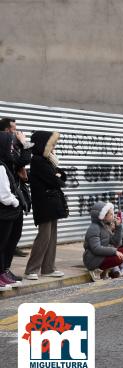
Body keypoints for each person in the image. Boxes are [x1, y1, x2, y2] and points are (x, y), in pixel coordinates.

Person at [24, 131, 69, 280]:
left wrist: (57, 176)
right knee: (44, 237)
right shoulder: (38, 160)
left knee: (52, 237)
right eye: (52, 143)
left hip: (51, 203)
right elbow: (55, 181)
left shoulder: (47, 160)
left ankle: (48, 268)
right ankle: (31, 269)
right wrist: (57, 177)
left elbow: (61, 177)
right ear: (44, 144)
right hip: (44, 204)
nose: (54, 147)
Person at [1, 118, 33, 258]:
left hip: (16, 193)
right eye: (14, 129)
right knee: (7, 237)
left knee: (15, 233)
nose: (17, 132)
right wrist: (25, 143)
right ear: (7, 130)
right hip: (8, 197)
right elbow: (22, 160)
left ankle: (6, 268)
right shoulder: (4, 145)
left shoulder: (12, 145)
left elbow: (20, 164)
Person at [0, 133, 27, 290]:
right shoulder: (1, 166)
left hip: (6, 211)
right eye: (9, 144)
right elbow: (4, 195)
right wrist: (15, 202)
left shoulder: (4, 164)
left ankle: (3, 273)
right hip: (5, 211)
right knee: (2, 244)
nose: (12, 147)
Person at [83, 201, 123, 280]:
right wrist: (115, 251)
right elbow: (96, 249)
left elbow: (116, 244)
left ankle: (105, 272)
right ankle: (96, 271)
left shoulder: (105, 226)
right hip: (93, 259)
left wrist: (118, 227)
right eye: (111, 214)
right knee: (118, 257)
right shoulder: (94, 228)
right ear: (103, 216)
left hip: (102, 256)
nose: (113, 216)